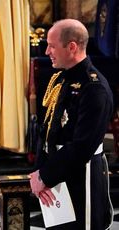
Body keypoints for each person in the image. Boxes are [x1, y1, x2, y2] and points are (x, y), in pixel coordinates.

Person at [29, 19, 114, 230]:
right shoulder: (60, 79)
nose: (47, 50)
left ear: (72, 46)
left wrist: (45, 176)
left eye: (52, 45)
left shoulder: (94, 88)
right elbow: (46, 130)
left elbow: (82, 146)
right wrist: (39, 171)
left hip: (80, 177)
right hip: (55, 173)